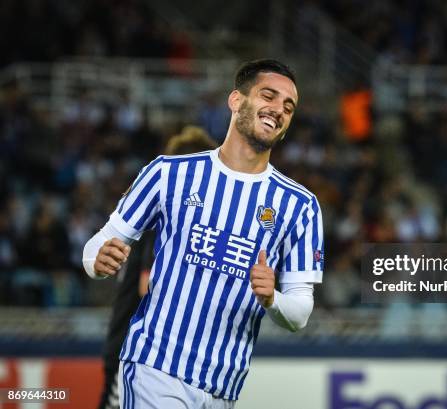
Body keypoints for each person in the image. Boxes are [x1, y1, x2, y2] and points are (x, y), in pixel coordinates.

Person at [83, 59, 324, 409]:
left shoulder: (300, 205)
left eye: (288, 106)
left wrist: (272, 297)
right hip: (156, 368)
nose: (278, 109)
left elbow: (300, 312)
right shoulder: (168, 173)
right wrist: (97, 260)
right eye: (268, 96)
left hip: (224, 387)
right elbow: (99, 243)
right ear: (236, 100)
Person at [98, 126, 219, 409]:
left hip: (134, 351)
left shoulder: (153, 214)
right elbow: (148, 285)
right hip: (136, 356)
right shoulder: (166, 221)